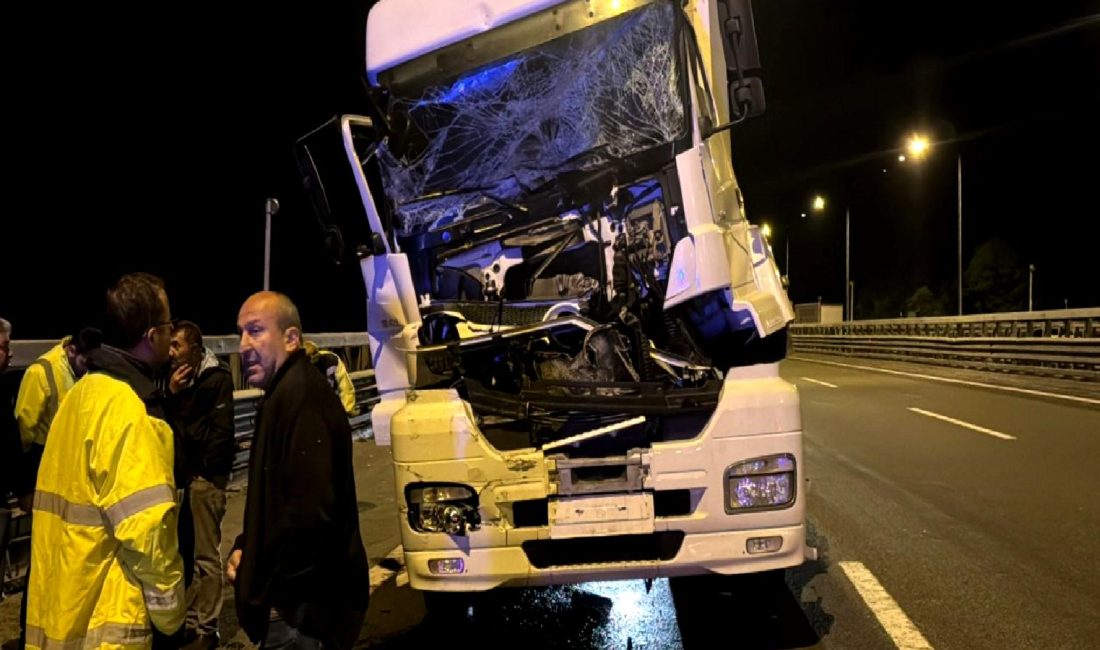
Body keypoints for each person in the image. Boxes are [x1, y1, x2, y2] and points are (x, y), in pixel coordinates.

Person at [26, 272, 185, 648]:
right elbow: (148, 532)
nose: (172, 335)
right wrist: (172, 613)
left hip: (62, 610)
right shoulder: (130, 410)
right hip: (109, 622)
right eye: (168, 326)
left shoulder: (79, 396)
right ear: (151, 337)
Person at [228, 291, 369, 649]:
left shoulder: (301, 397)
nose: (244, 345)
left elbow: (310, 513)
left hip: (302, 615)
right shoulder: (286, 393)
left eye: (256, 330)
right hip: (300, 608)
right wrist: (249, 546)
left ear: (291, 339)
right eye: (241, 332)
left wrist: (269, 584)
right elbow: (277, 499)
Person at [165, 320, 235, 649]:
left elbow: (214, 434)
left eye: (176, 346)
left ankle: (208, 628)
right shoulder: (179, 380)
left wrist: (205, 472)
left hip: (205, 481)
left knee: (207, 557)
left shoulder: (215, 379)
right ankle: (191, 622)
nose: (171, 353)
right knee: (187, 556)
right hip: (186, 480)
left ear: (194, 349)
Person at [15, 326, 102, 472]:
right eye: (84, 363)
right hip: (43, 455)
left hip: (74, 451)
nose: (88, 370)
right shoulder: (40, 372)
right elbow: (25, 423)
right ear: (71, 351)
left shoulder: (83, 370)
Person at [302, 339, 358, 417]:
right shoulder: (299, 368)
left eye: (316, 361)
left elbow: (345, 387)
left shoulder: (332, 360)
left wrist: (347, 410)